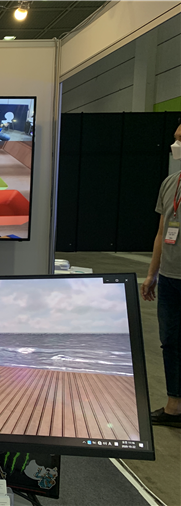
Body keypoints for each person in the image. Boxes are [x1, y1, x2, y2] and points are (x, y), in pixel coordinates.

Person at [141, 124, 181, 428]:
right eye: (176, 139)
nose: (175, 145)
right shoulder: (170, 183)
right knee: (170, 342)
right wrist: (151, 274)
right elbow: (161, 232)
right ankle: (174, 406)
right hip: (168, 278)